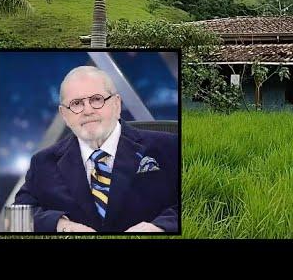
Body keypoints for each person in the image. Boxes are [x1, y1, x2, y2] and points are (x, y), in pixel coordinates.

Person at [14, 65, 179, 233]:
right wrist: (61, 225)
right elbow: (16, 217)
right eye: (76, 103)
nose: (87, 110)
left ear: (116, 104)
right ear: (64, 115)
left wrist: (159, 227)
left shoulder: (170, 147)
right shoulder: (43, 162)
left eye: (96, 99)